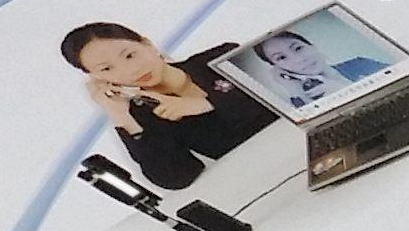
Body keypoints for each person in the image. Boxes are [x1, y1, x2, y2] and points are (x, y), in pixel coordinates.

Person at [61, 19, 277, 193]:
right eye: (107, 69)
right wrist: (120, 117)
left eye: (129, 55)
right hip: (266, 177)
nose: (131, 70)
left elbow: (284, 94)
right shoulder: (145, 116)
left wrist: (206, 104)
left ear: (147, 44)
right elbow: (177, 177)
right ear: (97, 78)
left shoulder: (220, 58)